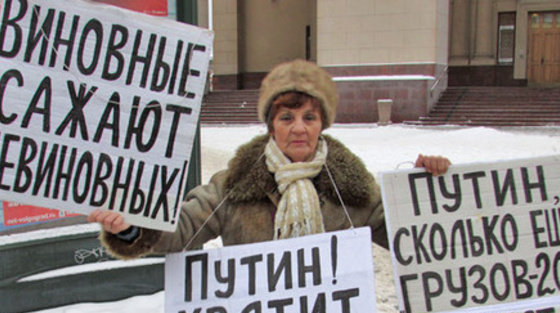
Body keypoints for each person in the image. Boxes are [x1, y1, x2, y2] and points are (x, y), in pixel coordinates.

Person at [89, 59, 450, 259]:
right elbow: (182, 230)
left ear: (322, 124)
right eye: (286, 118)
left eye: (309, 118)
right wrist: (132, 228)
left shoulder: (352, 188)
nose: (298, 129)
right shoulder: (235, 186)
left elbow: (412, 239)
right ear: (270, 126)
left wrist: (425, 191)